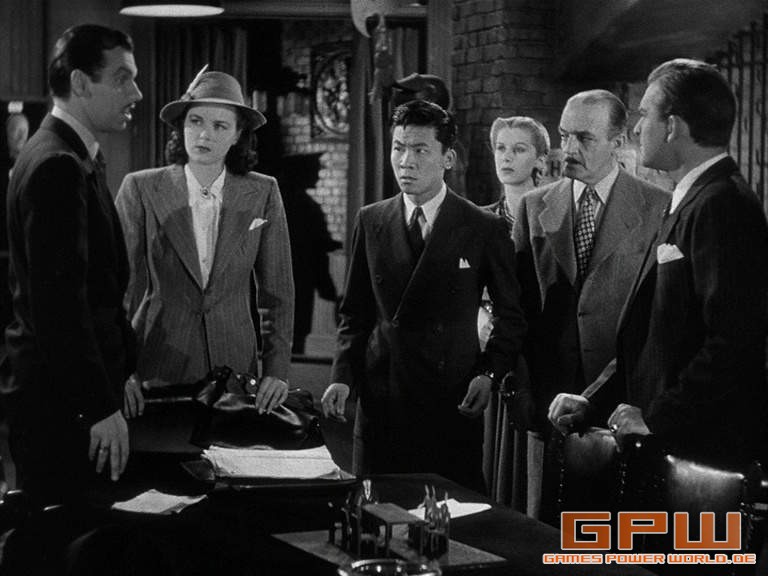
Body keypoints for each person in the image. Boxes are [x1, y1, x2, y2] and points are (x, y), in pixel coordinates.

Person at [549, 59, 768, 470]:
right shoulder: (687, 201)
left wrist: (656, 417)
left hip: (700, 461)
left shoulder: (721, 205)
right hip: (670, 451)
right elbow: (649, 337)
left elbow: (734, 342)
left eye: (645, 114)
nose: (636, 129)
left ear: (672, 127)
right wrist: (593, 401)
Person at [321, 100, 525, 491]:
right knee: (378, 512)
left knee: (449, 517)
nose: (405, 161)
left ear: (448, 159)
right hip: (382, 400)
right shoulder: (372, 219)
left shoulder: (482, 226)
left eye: (419, 150)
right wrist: (342, 377)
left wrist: (489, 373)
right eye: (398, 148)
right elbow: (355, 314)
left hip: (449, 401)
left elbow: (511, 315)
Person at [2, 24, 142, 506]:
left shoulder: (68, 154)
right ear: (80, 83)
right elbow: (59, 308)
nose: (136, 93)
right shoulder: (57, 164)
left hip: (64, 397)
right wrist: (98, 406)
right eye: (122, 78)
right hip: (61, 406)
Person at [512, 90, 668, 519]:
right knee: (546, 529)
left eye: (584, 138)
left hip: (620, 405)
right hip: (549, 406)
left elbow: (655, 319)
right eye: (564, 135)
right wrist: (524, 393)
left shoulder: (658, 208)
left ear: (618, 142)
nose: (569, 148)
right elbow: (519, 309)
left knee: (610, 530)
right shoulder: (533, 207)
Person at [116, 69, 294, 414]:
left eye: (220, 126)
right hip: (156, 363)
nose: (204, 134)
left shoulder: (263, 191)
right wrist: (119, 367)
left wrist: (276, 371)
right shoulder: (140, 188)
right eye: (195, 121)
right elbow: (116, 289)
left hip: (233, 369)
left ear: (238, 134)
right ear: (181, 126)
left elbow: (278, 293)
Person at [479, 116, 550, 511]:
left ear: (539, 159)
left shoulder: (552, 217)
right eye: (501, 148)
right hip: (487, 350)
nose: (506, 157)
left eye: (519, 149)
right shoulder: (478, 219)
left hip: (534, 353)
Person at [278, 153, 341, 355]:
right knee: (295, 335)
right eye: (315, 171)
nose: (319, 175)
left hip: (278, 280)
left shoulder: (277, 202)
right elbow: (316, 252)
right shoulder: (307, 207)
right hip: (299, 280)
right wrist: (327, 287)